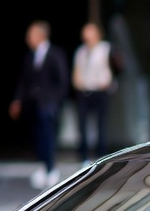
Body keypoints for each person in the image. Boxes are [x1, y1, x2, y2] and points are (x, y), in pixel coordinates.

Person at [10, 20, 70, 189]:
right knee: (38, 136)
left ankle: (51, 168)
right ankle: (44, 165)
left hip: (49, 104)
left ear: (41, 35)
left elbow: (62, 80)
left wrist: (55, 101)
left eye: (31, 35)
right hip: (33, 104)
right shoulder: (30, 57)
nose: (28, 39)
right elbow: (23, 81)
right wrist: (18, 100)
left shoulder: (55, 54)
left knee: (48, 135)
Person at [72, 21, 116, 166]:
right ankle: (84, 156)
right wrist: (77, 83)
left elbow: (115, 66)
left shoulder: (106, 48)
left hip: (100, 91)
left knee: (100, 124)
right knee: (82, 124)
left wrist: (108, 82)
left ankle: (101, 156)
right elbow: (77, 70)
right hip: (85, 91)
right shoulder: (81, 51)